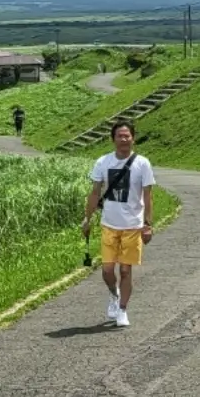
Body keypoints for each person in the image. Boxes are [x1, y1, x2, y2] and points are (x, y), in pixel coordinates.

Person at [81, 120, 155, 327]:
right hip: (109, 224)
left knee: (125, 270)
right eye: (120, 136)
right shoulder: (103, 162)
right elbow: (95, 192)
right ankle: (115, 295)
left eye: (127, 135)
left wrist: (148, 224)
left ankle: (122, 309)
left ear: (133, 138)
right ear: (113, 139)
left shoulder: (143, 163)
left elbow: (148, 196)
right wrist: (87, 219)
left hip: (132, 225)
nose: (124, 139)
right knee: (106, 270)